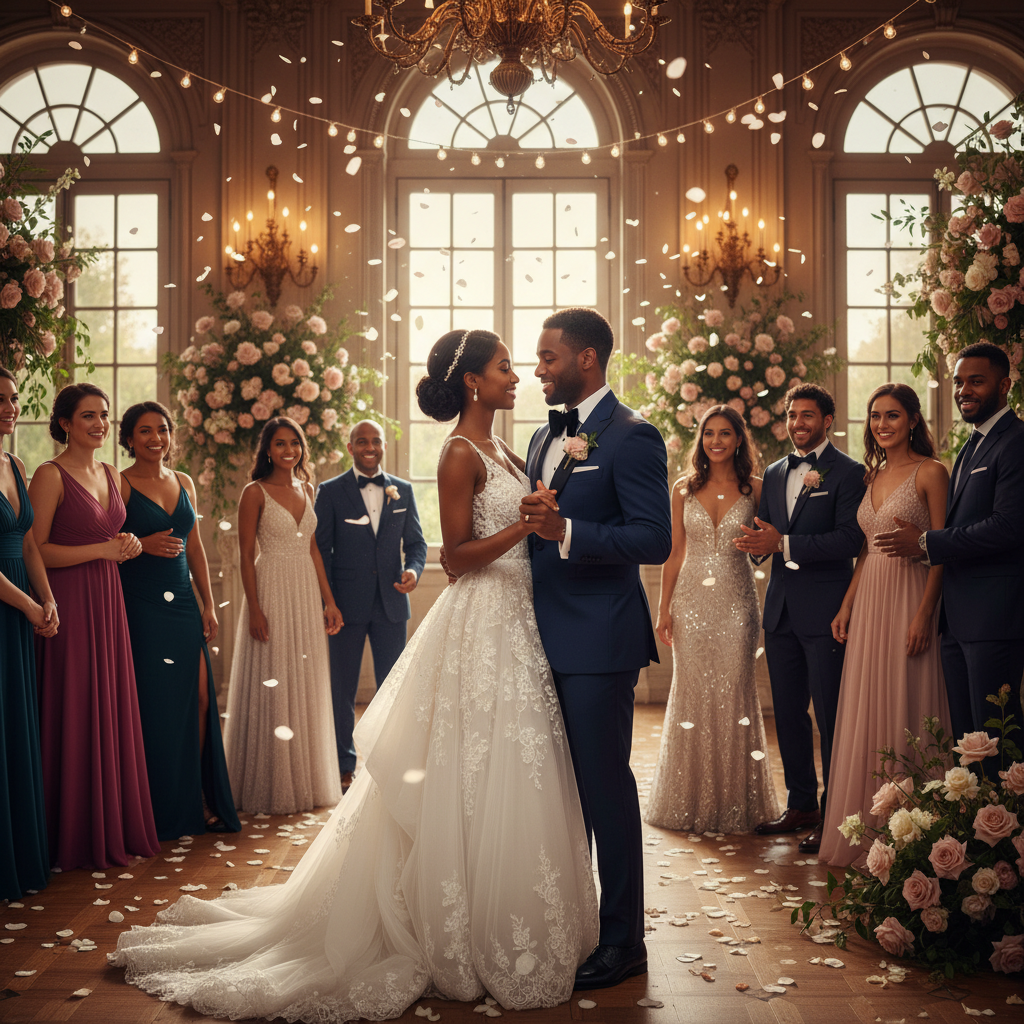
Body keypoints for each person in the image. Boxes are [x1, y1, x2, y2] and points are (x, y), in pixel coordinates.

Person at [111, 329, 599, 1019]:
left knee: (512, 766)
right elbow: (456, 558)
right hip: (482, 619)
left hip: (519, 624)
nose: (515, 377)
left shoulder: (506, 449)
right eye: (503, 368)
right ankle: (452, 921)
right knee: (473, 763)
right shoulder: (461, 453)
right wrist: (525, 528)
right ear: (471, 383)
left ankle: (514, 905)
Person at [519, 307, 672, 990]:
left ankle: (623, 941)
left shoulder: (634, 437)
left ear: (586, 359)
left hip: (599, 639)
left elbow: (653, 539)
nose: (538, 369)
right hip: (536, 636)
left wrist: (569, 532)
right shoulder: (539, 438)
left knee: (606, 790)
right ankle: (568, 922)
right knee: (554, 789)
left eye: (548, 357)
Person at [877, 342, 1024, 780]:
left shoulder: (1015, 442)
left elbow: (1008, 527)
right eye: (959, 381)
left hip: (995, 619)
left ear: (1005, 385)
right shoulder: (971, 445)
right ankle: (978, 834)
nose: (964, 390)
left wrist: (926, 542)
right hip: (957, 620)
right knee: (968, 742)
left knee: (999, 738)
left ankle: (1011, 836)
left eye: (975, 381)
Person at [29, 382, 160, 871]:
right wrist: (104, 550)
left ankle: (111, 824)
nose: (100, 424)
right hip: (71, 604)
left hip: (109, 602)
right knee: (77, 707)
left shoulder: (109, 472)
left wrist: (124, 542)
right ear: (65, 423)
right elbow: (36, 549)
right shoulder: (49, 474)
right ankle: (70, 833)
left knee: (109, 706)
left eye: (103, 415)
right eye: (88, 416)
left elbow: (109, 535)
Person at [819, 384, 950, 867]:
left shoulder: (931, 472)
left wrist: (924, 613)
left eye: (893, 415)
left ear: (913, 420)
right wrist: (847, 605)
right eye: (875, 416)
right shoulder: (871, 475)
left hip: (910, 596)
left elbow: (942, 548)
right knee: (868, 703)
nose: (882, 424)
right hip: (871, 596)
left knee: (905, 697)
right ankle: (869, 828)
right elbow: (866, 549)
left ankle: (916, 832)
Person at [732, 383, 865, 855]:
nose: (798, 424)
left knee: (829, 717)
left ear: (828, 421)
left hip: (827, 613)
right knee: (787, 715)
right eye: (792, 416)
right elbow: (766, 532)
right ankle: (802, 804)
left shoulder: (850, 473)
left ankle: (833, 816)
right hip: (781, 612)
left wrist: (782, 545)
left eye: (807, 416)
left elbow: (851, 539)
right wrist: (752, 548)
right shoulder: (772, 471)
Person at [645, 404, 779, 835]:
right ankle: (687, 799)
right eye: (709, 434)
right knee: (692, 692)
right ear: (700, 440)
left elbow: (766, 545)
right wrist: (664, 608)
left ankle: (736, 801)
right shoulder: (683, 489)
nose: (716, 441)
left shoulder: (757, 488)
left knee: (735, 692)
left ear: (739, 439)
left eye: (725, 434)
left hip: (738, 601)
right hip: (690, 602)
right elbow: (674, 552)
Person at [117, 401, 240, 840]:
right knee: (157, 706)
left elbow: (195, 548)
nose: (156, 438)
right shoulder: (119, 482)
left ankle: (195, 797)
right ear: (129, 438)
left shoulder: (183, 480)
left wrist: (208, 603)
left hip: (184, 603)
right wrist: (138, 542)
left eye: (163, 430)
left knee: (203, 700)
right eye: (145, 431)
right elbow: (100, 538)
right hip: (143, 604)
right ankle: (156, 806)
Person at [224, 416, 343, 815]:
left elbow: (313, 550)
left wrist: (328, 600)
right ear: (267, 449)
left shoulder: (307, 488)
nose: (288, 450)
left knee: (303, 679)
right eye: (280, 443)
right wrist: (254, 608)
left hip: (305, 589)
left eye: (294, 443)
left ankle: (306, 779)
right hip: (271, 586)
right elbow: (243, 554)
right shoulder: (254, 492)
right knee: (273, 678)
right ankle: (268, 783)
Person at [314, 419, 427, 791]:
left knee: (392, 689)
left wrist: (412, 571)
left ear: (383, 446)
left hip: (392, 604)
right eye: (361, 441)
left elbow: (416, 544)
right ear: (350, 447)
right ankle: (345, 765)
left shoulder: (403, 491)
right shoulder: (330, 492)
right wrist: (329, 602)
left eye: (375, 440)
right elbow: (322, 552)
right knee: (342, 689)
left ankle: (388, 765)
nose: (370, 446)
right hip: (344, 607)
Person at [0, 367, 57, 899]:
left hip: (21, 604)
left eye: (14, 398)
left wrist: (48, 598)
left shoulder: (15, 463)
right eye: (0, 399)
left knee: (16, 724)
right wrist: (28, 606)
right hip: (5, 603)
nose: (9, 406)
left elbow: (31, 543)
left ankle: (18, 852)